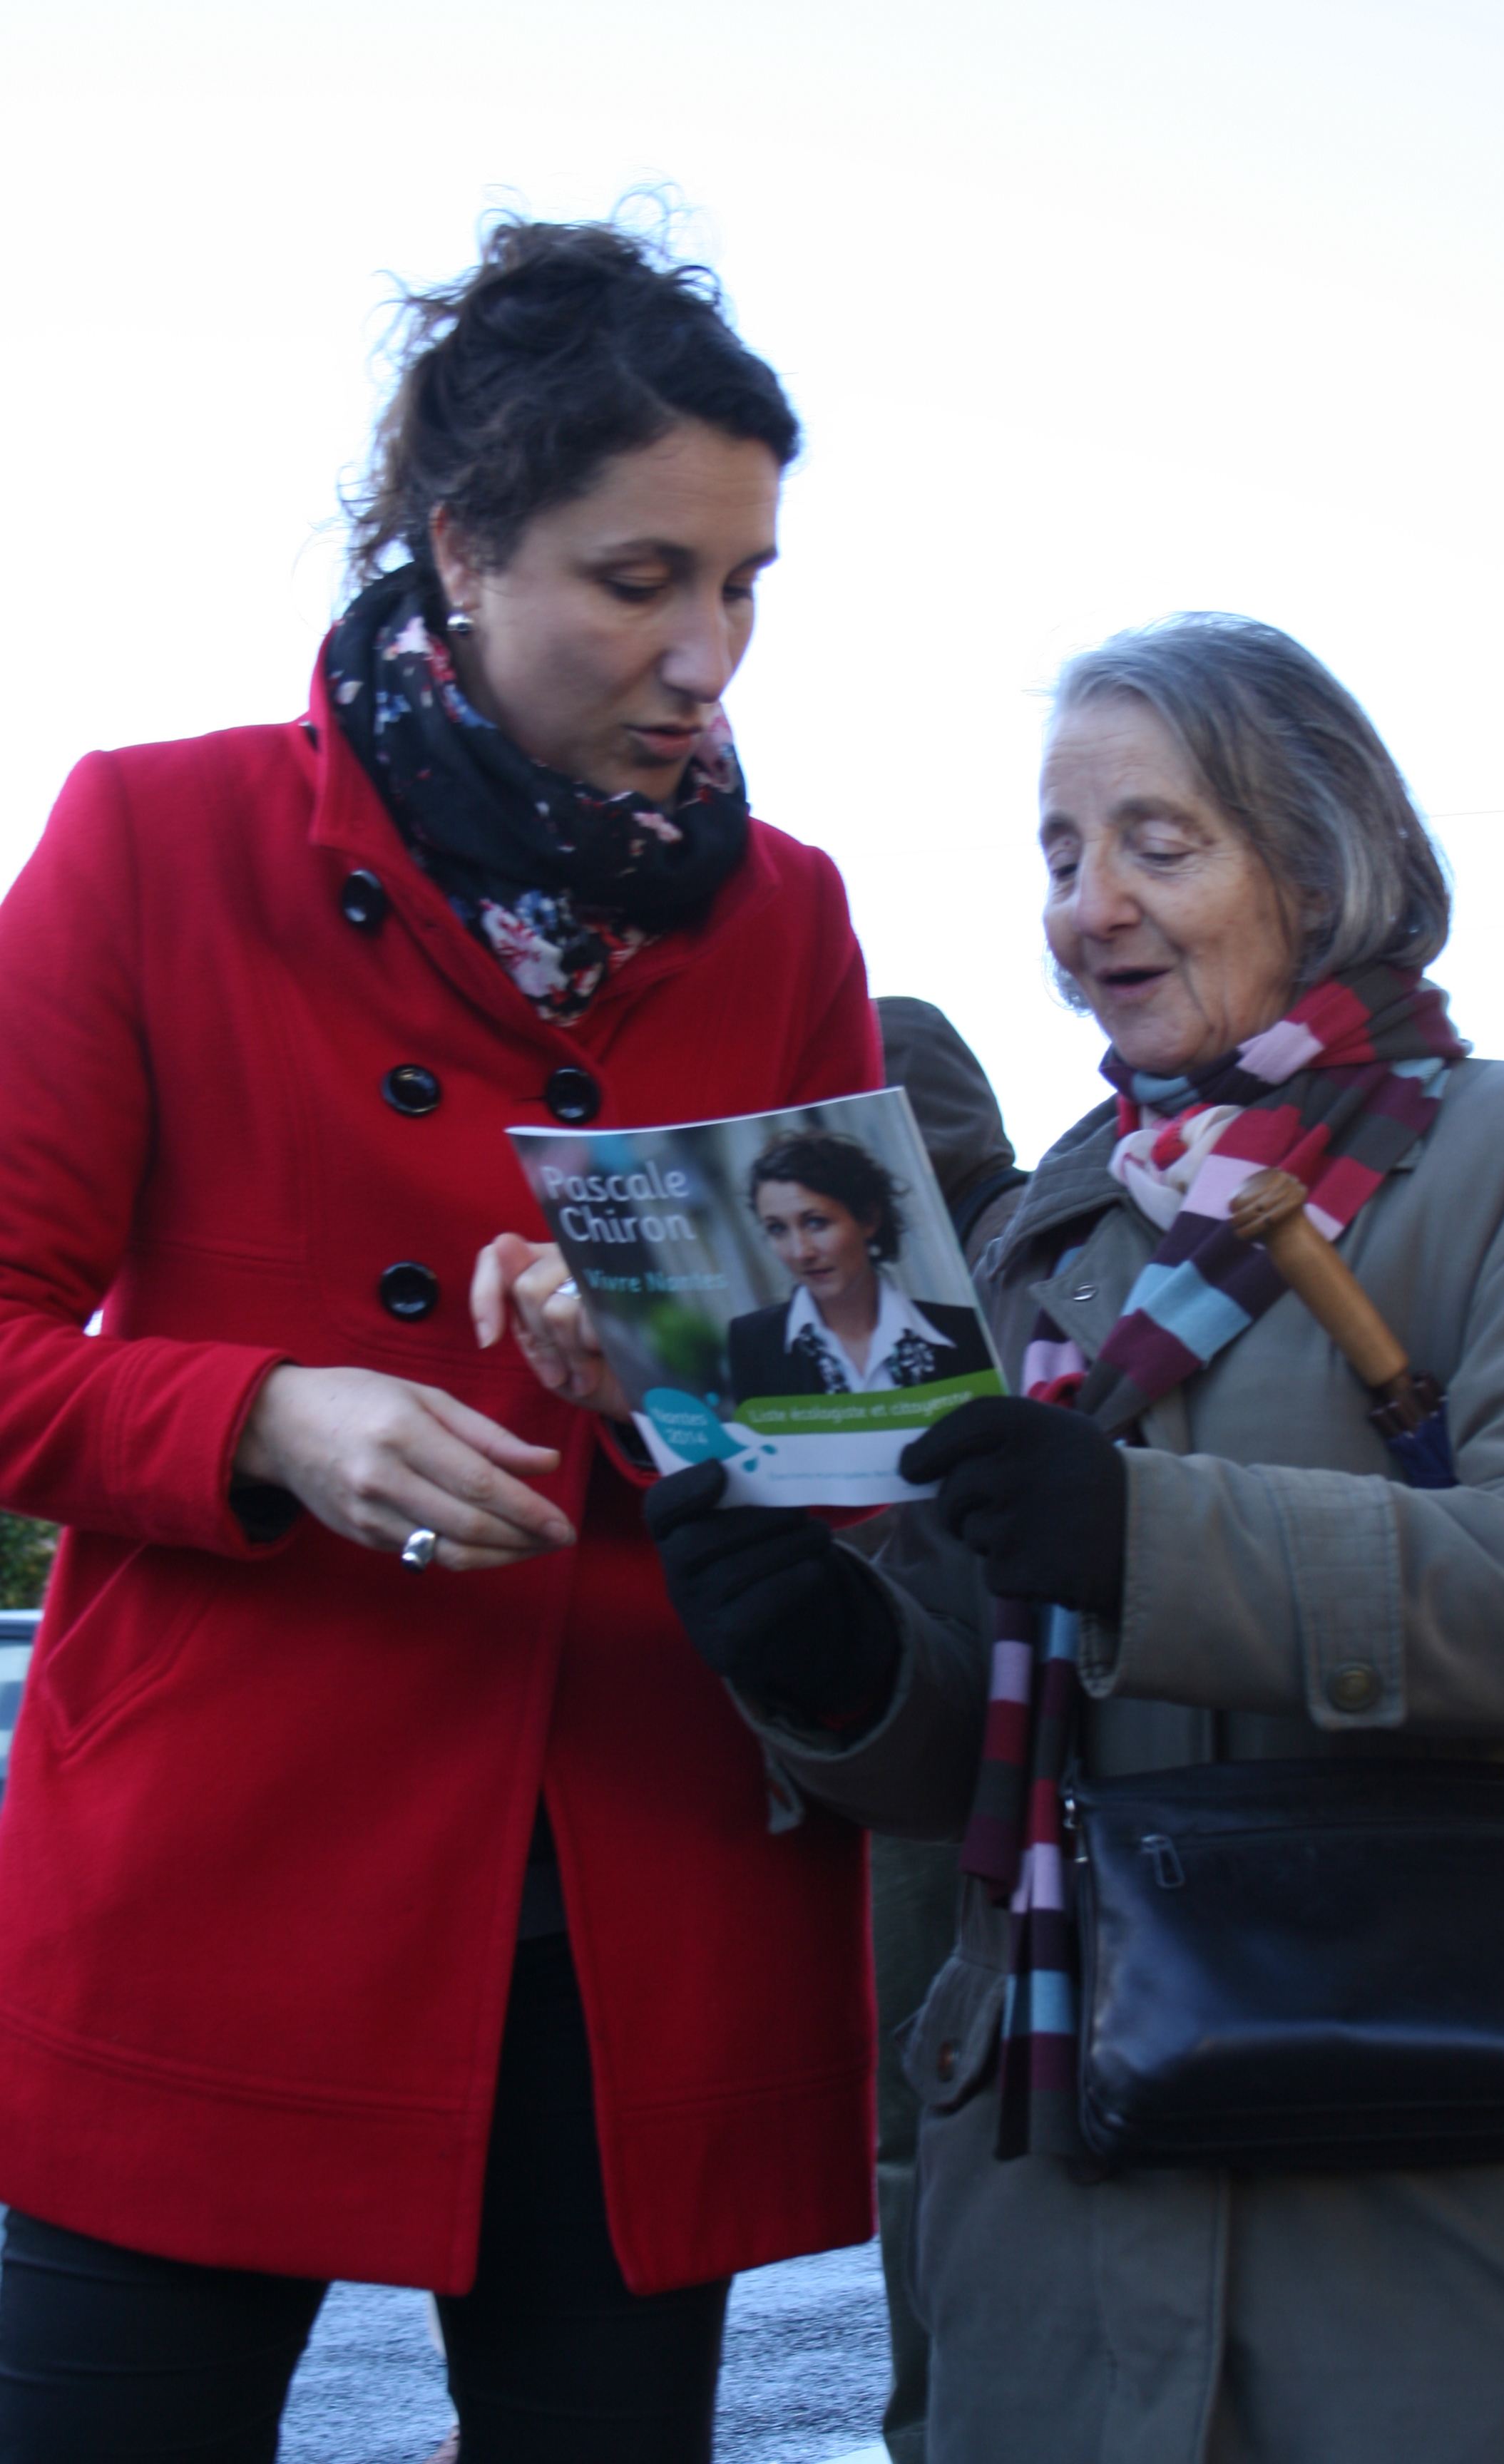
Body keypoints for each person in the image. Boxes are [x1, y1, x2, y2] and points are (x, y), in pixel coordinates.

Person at [0, 217, 884, 2464]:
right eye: (640, 578)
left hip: (637, 1889)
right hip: (227, 1873)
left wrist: (669, 1359)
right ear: (462, 546)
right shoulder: (157, 838)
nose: (709, 654)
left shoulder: (784, 915)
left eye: (748, 582)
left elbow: (850, 1412)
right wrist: (267, 1413)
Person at [645, 614, 1504, 2463]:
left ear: (1323, 858)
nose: (1089, 907)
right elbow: (967, 1741)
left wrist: (1141, 1537)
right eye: (1058, 853)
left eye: (1157, 846)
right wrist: (832, 1663)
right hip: (1059, 2247)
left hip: (1437, 2221)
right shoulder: (1038, 1234)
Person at [851, 999, 1027, 2464]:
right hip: (918, 1709)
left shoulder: (1008, 1265)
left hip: (954, 1730)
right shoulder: (1027, 1250)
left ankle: (935, 2427)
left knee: (931, 2116)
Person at [728, 1132, 993, 1401]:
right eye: (777, 1229)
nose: (801, 1252)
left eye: (816, 1222)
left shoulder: (965, 1331)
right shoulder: (753, 1343)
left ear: (869, 1219)